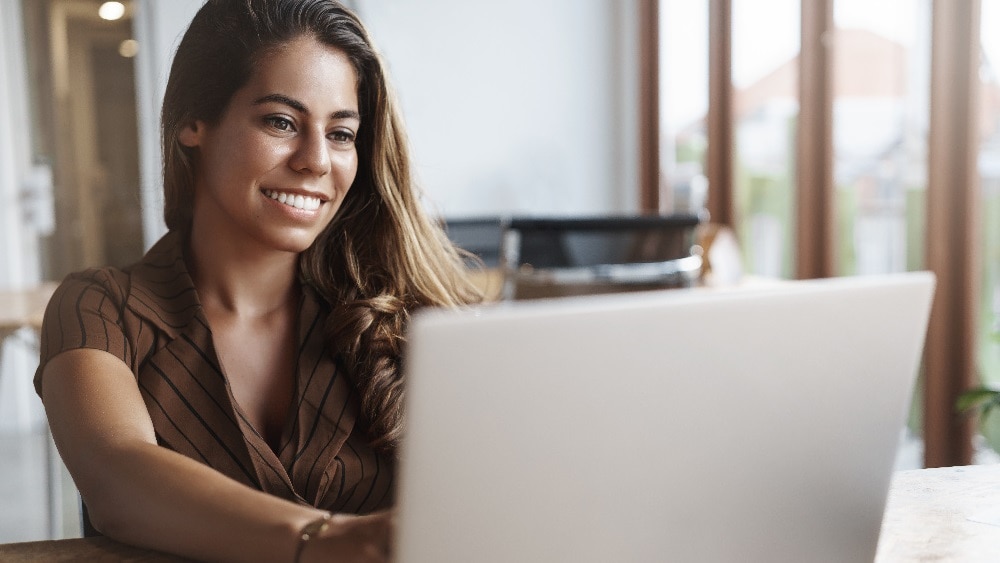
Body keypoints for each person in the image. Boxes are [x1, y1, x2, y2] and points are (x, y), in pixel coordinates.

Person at [34, 1, 482, 561]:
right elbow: (117, 479)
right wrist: (331, 540)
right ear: (194, 122)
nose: (317, 160)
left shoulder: (405, 312)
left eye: (341, 133)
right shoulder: (102, 308)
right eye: (281, 122)